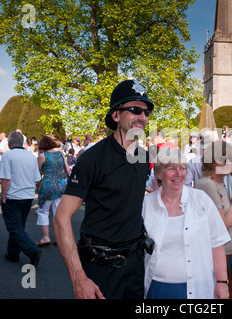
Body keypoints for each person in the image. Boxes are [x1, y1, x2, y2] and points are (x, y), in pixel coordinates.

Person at [53, 79, 154, 299]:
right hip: (101, 268)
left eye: (146, 112)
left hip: (136, 264)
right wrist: (79, 278)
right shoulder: (93, 158)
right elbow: (61, 218)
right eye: (135, 110)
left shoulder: (144, 156)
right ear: (116, 115)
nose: (143, 117)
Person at [142, 148, 230, 299]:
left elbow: (217, 244)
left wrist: (222, 283)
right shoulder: (146, 205)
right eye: (171, 168)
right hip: (157, 289)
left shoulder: (201, 200)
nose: (178, 174)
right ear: (158, 174)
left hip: (198, 289)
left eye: (182, 168)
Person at [196, 140, 232, 299]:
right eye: (222, 158)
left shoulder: (220, 183)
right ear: (211, 161)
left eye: (231, 159)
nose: (228, 163)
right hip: (220, 254)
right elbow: (222, 225)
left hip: (230, 252)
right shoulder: (208, 185)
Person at [0, 131, 42, 267]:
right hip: (28, 195)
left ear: (10, 143)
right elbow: (36, 179)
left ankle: (32, 250)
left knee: (13, 226)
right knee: (18, 226)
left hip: (14, 195)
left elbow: (6, 178)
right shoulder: (30, 156)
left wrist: (3, 195)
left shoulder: (8, 155)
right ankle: (13, 253)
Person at [35, 135, 69, 247]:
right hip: (60, 185)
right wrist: (59, 177)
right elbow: (67, 171)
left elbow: (36, 173)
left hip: (47, 185)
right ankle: (59, 238)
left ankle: (45, 238)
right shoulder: (60, 154)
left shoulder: (42, 156)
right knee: (57, 212)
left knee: (43, 212)